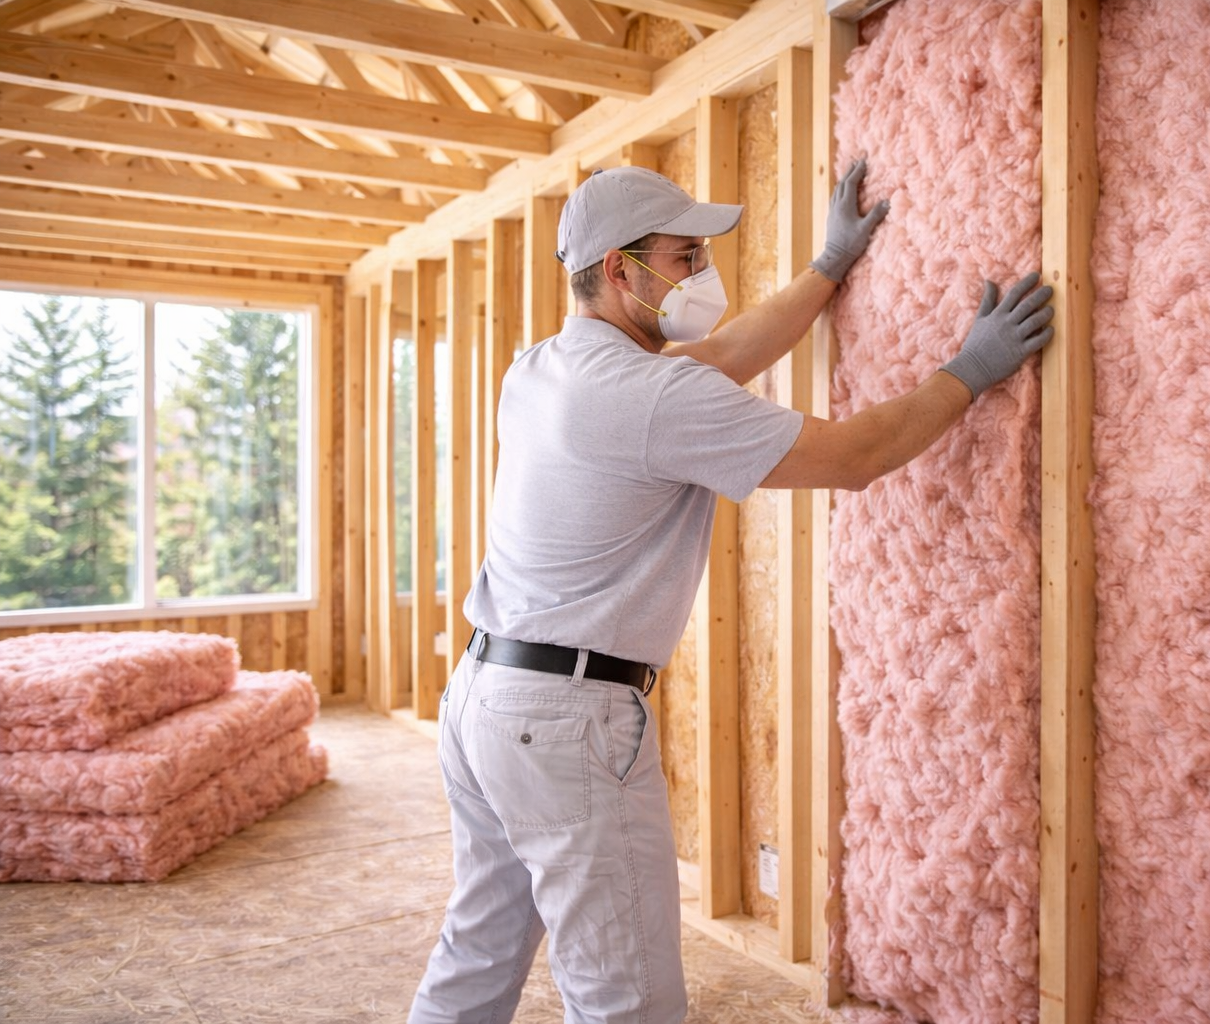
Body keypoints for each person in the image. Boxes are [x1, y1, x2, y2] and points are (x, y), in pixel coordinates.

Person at [407, 159, 1054, 1024]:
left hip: (483, 702)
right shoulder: (648, 395)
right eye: (683, 258)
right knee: (627, 999)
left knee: (478, 952)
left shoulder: (542, 369)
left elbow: (722, 354)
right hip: (565, 723)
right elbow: (857, 455)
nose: (700, 273)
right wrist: (969, 370)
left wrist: (829, 268)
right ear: (617, 270)